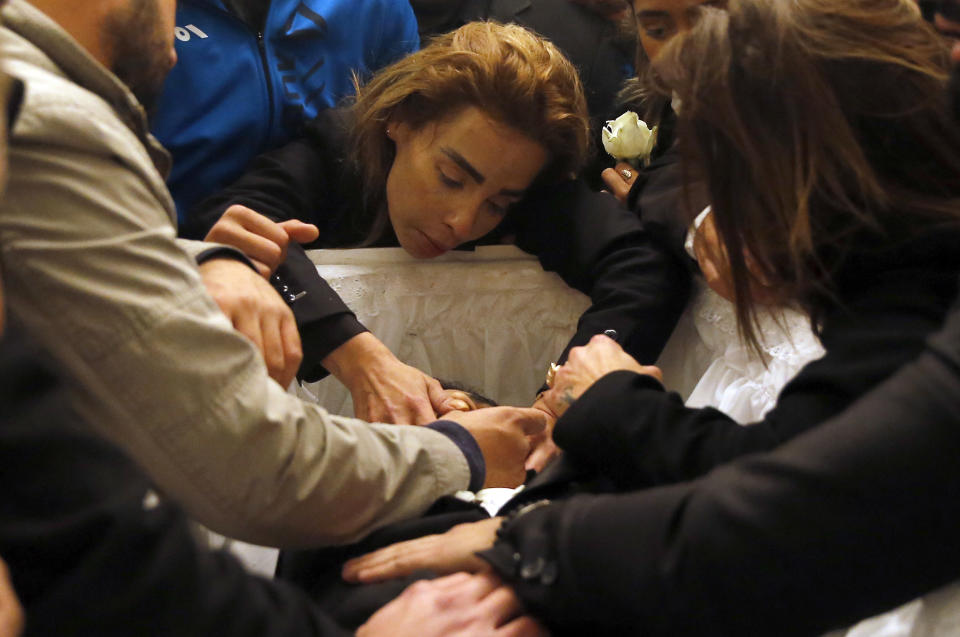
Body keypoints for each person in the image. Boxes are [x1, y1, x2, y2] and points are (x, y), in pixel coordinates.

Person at [326, 0, 960, 630]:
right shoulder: (893, 262)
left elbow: (789, 507)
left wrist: (549, 512)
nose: (712, 215)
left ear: (806, 174)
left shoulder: (919, 300)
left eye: (723, 179)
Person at [0, 0, 544, 548]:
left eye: (496, 202)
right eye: (451, 178)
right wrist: (461, 450)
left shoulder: (376, 10)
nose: (174, 49)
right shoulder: (53, 124)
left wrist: (209, 260)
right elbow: (257, 473)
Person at [188, 21, 692, 435]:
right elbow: (228, 223)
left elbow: (644, 267)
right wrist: (363, 359)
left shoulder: (527, 186)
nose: (463, 221)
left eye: (498, 204)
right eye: (451, 178)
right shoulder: (333, 151)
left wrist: (561, 402)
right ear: (400, 120)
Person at [151, 0, 420, 221]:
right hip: (162, 244)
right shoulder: (131, 11)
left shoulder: (377, 9)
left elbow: (398, 153)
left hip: (321, 247)